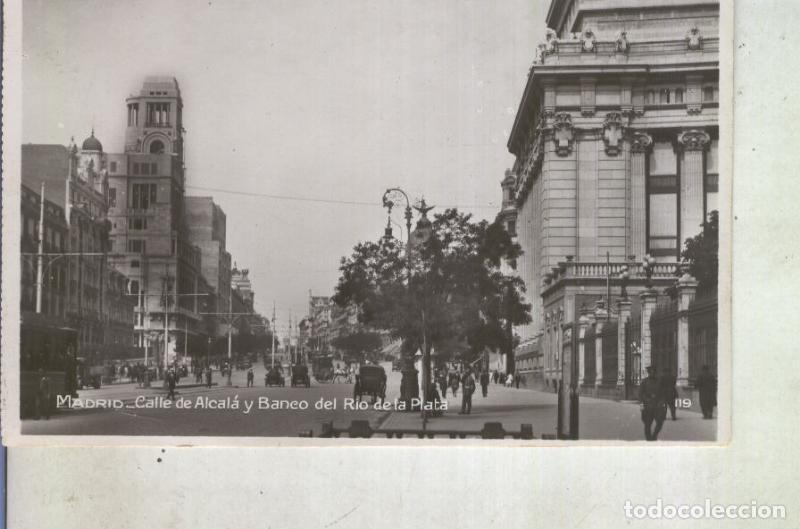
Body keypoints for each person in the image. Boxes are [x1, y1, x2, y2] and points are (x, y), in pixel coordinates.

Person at [639, 366, 667, 441]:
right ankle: (648, 439)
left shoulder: (659, 381)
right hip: (647, 406)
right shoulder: (644, 382)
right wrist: (643, 404)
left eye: (654, 372)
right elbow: (641, 394)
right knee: (647, 424)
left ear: (655, 373)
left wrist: (662, 402)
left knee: (660, 422)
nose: (652, 373)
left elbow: (663, 393)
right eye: (651, 372)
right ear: (648, 373)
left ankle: (654, 435)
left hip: (657, 406)